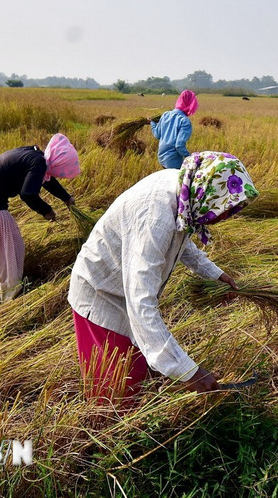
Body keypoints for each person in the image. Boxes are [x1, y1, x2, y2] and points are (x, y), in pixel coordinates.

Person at [68, 151, 259, 401]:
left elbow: (180, 239)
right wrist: (189, 372)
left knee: (136, 372)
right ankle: (106, 425)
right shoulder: (155, 216)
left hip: (121, 291)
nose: (223, 217)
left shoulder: (185, 189)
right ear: (209, 192)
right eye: (224, 209)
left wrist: (214, 274)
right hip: (101, 293)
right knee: (117, 389)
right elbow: (141, 301)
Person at [0, 133, 80, 302]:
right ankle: (9, 299)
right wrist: (46, 211)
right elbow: (27, 194)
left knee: (13, 248)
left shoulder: (36, 157)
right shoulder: (38, 162)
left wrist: (66, 198)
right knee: (8, 254)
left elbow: (46, 180)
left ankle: (11, 290)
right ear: (59, 162)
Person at [151, 90, 199, 169]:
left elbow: (157, 134)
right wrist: (191, 158)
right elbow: (179, 145)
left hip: (161, 158)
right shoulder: (184, 121)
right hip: (173, 161)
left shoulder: (166, 114)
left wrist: (152, 123)